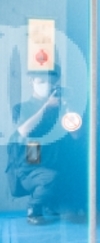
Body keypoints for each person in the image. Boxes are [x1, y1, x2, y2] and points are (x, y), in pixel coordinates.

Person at [6, 68, 62, 225]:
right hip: (29, 166)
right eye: (41, 81)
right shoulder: (21, 107)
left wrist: (69, 109)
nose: (47, 85)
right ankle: (34, 209)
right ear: (31, 82)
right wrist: (46, 107)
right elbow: (24, 131)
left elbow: (75, 134)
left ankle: (48, 201)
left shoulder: (59, 107)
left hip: (54, 161)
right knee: (49, 178)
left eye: (51, 82)